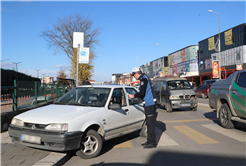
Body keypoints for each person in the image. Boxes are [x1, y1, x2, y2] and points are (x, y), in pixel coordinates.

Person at [128, 67, 157, 148]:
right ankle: (149, 141)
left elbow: (141, 93)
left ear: (137, 73)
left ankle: (153, 143)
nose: (134, 77)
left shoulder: (143, 79)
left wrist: (133, 96)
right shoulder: (145, 78)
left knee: (150, 124)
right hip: (148, 104)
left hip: (150, 104)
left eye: (134, 75)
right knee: (148, 123)